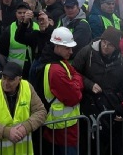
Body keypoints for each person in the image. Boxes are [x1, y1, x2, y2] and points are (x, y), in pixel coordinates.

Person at [73, 27, 123, 155]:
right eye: (104, 42)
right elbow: (73, 72)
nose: (105, 46)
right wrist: (89, 84)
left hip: (109, 106)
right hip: (88, 104)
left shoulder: (122, 62)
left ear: (116, 47)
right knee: (90, 144)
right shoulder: (87, 52)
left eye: (110, 45)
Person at [0, 61, 47, 155]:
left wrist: (25, 127)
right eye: (4, 78)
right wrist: (6, 132)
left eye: (11, 79)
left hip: (23, 152)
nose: (6, 83)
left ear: (19, 79)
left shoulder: (27, 87)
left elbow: (41, 112)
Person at [37, 27, 84, 155]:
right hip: (63, 128)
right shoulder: (56, 69)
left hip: (62, 127)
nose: (71, 51)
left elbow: (77, 75)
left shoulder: (58, 62)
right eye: (67, 48)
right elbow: (74, 96)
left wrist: (75, 81)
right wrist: (77, 83)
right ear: (57, 46)